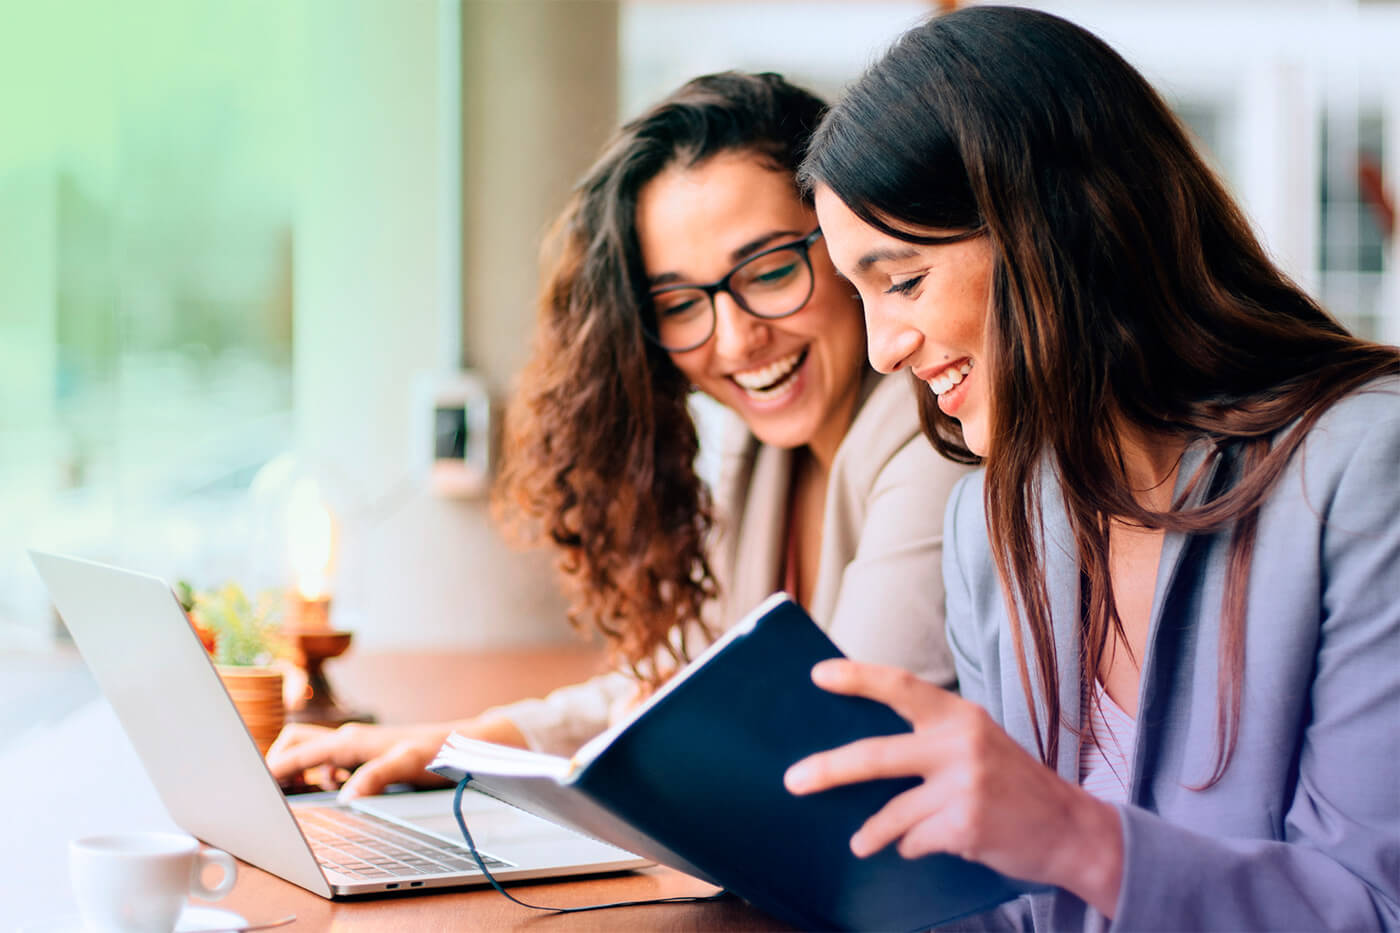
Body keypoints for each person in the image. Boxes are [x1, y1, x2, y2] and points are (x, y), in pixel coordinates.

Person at [783, 7, 1400, 930]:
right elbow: (1007, 909)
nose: (880, 349)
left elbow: (1374, 904)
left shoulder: (1365, 468)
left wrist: (1079, 838)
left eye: (903, 281)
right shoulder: (993, 525)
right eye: (860, 294)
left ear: (1057, 228)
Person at [268, 71, 969, 797]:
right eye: (678, 302)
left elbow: (846, 740)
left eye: (767, 270)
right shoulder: (764, 457)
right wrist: (445, 743)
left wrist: (672, 739)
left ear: (848, 239)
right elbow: (665, 684)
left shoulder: (932, 435)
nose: (735, 340)